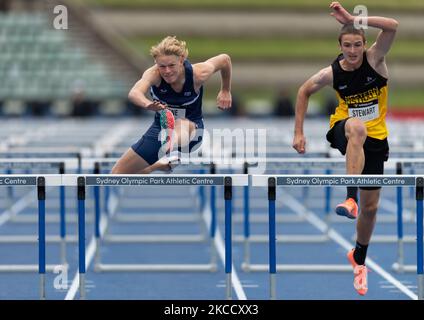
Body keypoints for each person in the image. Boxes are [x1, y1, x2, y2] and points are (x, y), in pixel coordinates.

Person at [292, 2, 398, 296]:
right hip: (344, 128)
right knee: (356, 129)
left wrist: (354, 18)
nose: (352, 51)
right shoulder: (332, 73)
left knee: (372, 207)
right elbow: (304, 91)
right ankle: (349, 198)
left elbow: (392, 25)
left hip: (376, 140)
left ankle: (359, 259)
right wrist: (298, 131)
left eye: (357, 45)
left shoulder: (375, 60)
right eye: (347, 46)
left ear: (365, 45)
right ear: (340, 46)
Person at [112, 36, 232, 174]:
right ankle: (158, 165)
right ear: (156, 63)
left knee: (182, 123)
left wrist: (225, 90)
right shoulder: (153, 74)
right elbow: (134, 92)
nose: (167, 71)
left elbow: (225, 59)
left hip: (192, 131)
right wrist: (148, 104)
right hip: (160, 129)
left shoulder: (198, 74)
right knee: (117, 174)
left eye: (171, 65)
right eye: (162, 66)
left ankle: (170, 142)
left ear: (181, 60)